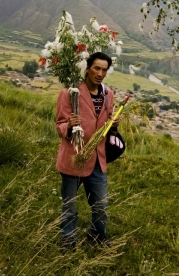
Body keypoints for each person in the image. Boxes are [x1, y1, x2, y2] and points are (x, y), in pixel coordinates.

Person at [55, 52, 120, 249]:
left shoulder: (108, 94)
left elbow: (105, 124)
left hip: (98, 159)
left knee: (101, 206)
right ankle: (68, 241)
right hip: (74, 158)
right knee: (70, 207)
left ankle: (97, 236)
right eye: (96, 68)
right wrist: (69, 125)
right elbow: (59, 124)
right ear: (87, 68)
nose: (100, 73)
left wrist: (114, 124)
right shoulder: (70, 92)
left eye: (104, 70)